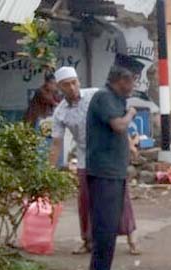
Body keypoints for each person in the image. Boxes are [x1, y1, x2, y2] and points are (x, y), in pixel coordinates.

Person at [50, 66, 140, 256]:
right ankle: (87, 240)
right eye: (66, 85)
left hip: (108, 151)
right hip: (86, 155)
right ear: (59, 88)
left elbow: (117, 118)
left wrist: (130, 144)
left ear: (79, 82)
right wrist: (49, 170)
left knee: (120, 195)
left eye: (74, 83)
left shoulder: (96, 96)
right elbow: (56, 144)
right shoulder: (60, 113)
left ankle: (132, 238)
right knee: (85, 199)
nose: (72, 88)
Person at [85, 65, 137, 270]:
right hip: (103, 170)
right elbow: (118, 125)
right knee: (105, 223)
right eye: (131, 81)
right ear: (120, 80)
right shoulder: (104, 97)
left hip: (114, 171)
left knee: (111, 223)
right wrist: (131, 113)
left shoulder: (116, 99)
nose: (134, 85)